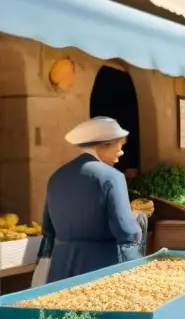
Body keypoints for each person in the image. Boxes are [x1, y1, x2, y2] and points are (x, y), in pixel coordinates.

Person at [39, 117, 143, 284]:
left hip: (60, 270)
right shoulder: (113, 177)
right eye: (120, 145)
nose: (122, 152)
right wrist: (138, 219)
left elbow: (48, 227)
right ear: (105, 144)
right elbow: (125, 230)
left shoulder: (56, 176)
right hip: (100, 269)